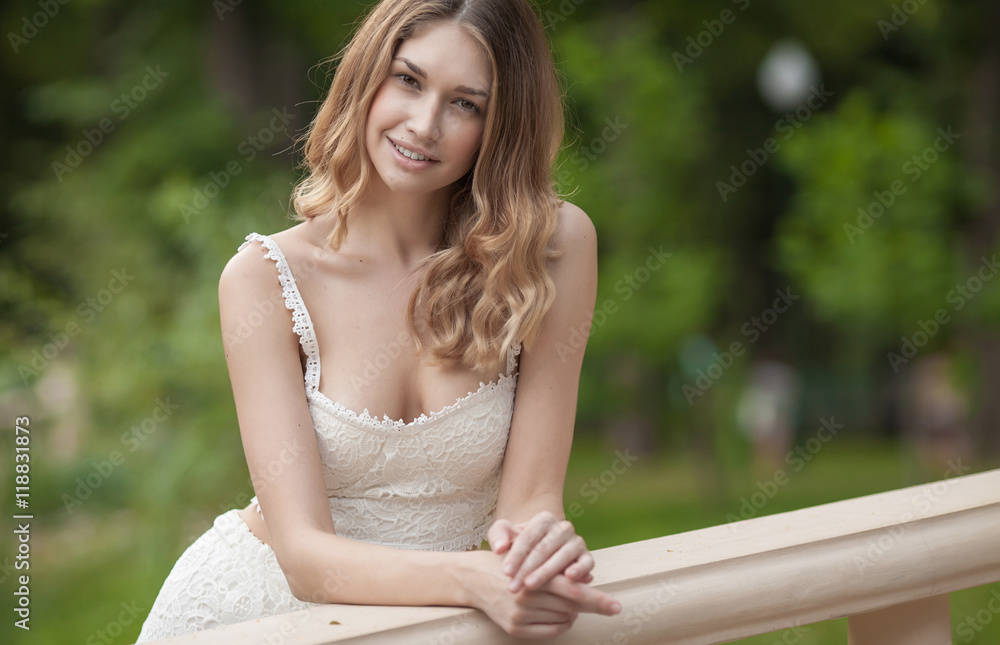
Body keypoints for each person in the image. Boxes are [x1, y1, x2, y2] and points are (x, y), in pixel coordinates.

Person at [136, 0, 620, 640]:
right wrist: (467, 580)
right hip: (247, 615)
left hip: (417, 624)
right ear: (367, 78)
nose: (424, 125)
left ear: (502, 125)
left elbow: (531, 500)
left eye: (465, 103)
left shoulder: (549, 251)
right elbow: (305, 558)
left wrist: (536, 552)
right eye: (409, 80)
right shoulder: (264, 279)